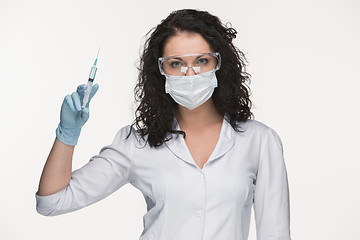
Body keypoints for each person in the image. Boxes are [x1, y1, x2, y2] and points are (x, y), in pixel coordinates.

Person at [36, 9, 291, 240]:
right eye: (176, 63)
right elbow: (52, 201)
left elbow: (275, 233)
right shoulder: (136, 145)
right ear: (161, 70)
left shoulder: (259, 141)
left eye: (201, 61)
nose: (189, 74)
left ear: (219, 64)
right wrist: (68, 133)